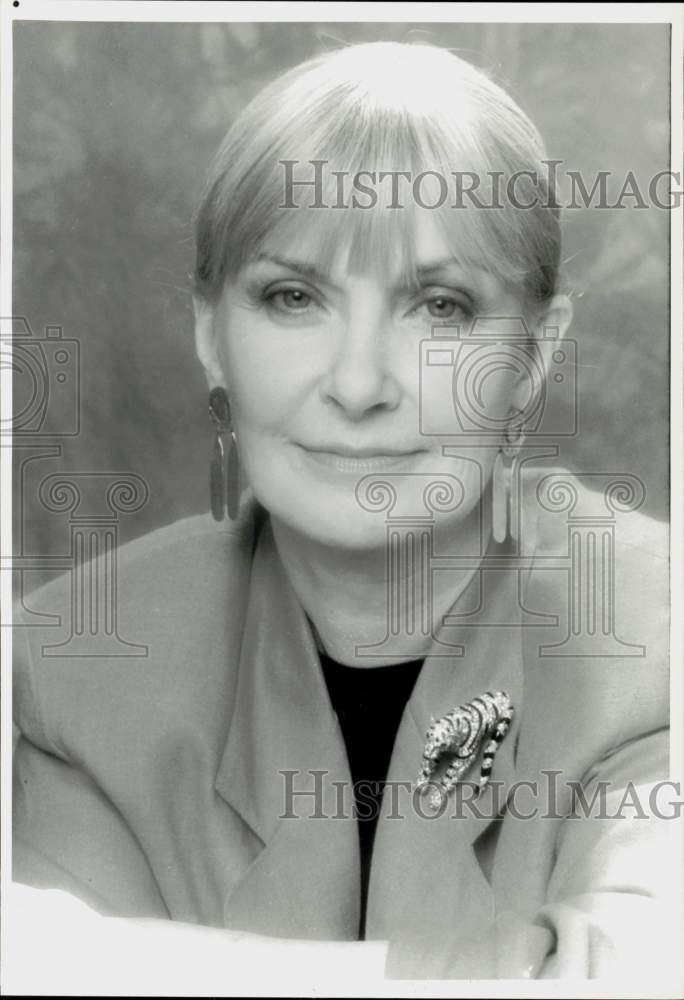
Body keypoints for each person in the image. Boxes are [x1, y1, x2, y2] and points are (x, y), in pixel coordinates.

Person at [12, 41, 672, 981]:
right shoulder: (76, 675)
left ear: (534, 356)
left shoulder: (656, 648)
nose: (359, 384)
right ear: (211, 335)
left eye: (440, 307)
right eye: (293, 296)